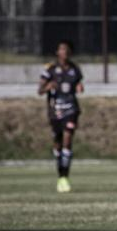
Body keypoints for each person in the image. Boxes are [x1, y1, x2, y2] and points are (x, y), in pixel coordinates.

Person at [38, 40, 83, 193]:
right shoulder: (50, 69)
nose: (64, 52)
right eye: (61, 50)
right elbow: (40, 90)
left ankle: (65, 177)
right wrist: (47, 87)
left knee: (68, 139)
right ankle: (60, 174)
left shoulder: (75, 69)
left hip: (71, 110)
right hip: (55, 111)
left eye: (66, 50)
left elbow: (77, 83)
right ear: (57, 52)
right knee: (57, 144)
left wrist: (79, 86)